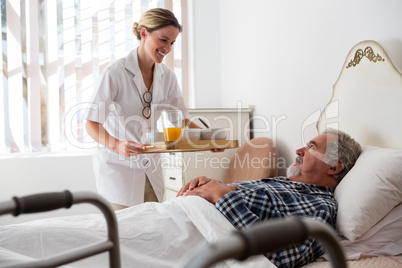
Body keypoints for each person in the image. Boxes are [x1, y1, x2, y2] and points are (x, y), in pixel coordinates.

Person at [177, 128, 362, 268]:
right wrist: (208, 184)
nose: (299, 151)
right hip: (181, 213)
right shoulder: (282, 182)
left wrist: (222, 196)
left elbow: (285, 257)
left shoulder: (321, 207)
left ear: (333, 167)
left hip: (191, 238)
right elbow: (235, 195)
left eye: (311, 147)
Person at [84, 8, 200, 210]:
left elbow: (180, 120)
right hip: (118, 169)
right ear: (144, 33)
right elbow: (91, 123)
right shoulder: (115, 72)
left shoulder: (167, 76)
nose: (168, 48)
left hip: (150, 167)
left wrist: (209, 138)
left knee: (151, 230)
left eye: (172, 43)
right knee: (123, 232)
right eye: (163, 40)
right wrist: (116, 145)